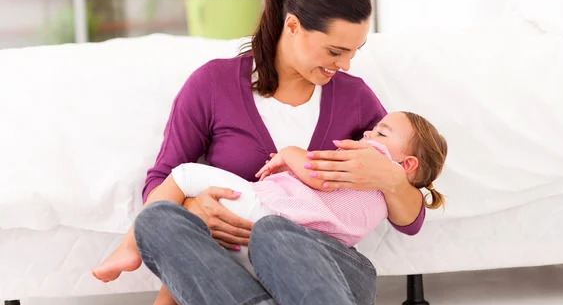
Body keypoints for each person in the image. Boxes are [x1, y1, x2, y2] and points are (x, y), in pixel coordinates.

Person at [111, 0, 428, 305]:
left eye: (354, 51)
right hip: (233, 286)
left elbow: (410, 221)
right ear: (292, 26)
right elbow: (163, 180)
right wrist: (194, 208)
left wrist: (390, 178)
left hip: (329, 283)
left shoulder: (356, 99)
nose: (345, 64)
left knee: (274, 232)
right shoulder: (212, 84)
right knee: (155, 220)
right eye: (334, 51)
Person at [92, 111, 447, 283]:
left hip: (269, 214)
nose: (368, 131)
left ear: (408, 163)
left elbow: (317, 176)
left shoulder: (371, 160)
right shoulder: (381, 194)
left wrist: (289, 152)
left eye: (381, 131)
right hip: (295, 251)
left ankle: (131, 245)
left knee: (185, 176)